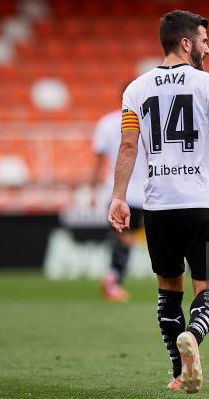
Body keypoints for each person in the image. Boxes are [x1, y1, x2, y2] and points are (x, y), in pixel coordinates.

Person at [108, 10, 209, 393]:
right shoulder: (208, 84)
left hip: (158, 206)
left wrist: (117, 197)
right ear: (186, 43)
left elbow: (129, 146)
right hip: (201, 203)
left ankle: (180, 374)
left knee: (167, 293)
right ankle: (194, 335)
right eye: (204, 41)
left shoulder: (135, 89)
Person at [91, 93, 148, 302]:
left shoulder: (106, 122)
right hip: (141, 192)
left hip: (114, 191)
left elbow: (98, 160)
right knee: (126, 239)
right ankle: (113, 280)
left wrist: (92, 190)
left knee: (123, 238)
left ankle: (112, 279)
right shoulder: (148, 120)